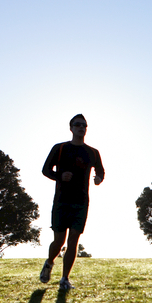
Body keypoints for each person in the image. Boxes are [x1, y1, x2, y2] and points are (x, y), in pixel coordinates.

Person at [40, 114, 104, 290]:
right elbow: (45, 169)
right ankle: (49, 262)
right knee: (59, 240)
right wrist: (59, 176)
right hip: (62, 200)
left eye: (84, 125)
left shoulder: (92, 152)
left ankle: (65, 279)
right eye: (77, 125)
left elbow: (101, 171)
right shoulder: (60, 148)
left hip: (81, 201)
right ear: (71, 128)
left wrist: (98, 178)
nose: (81, 127)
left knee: (73, 241)